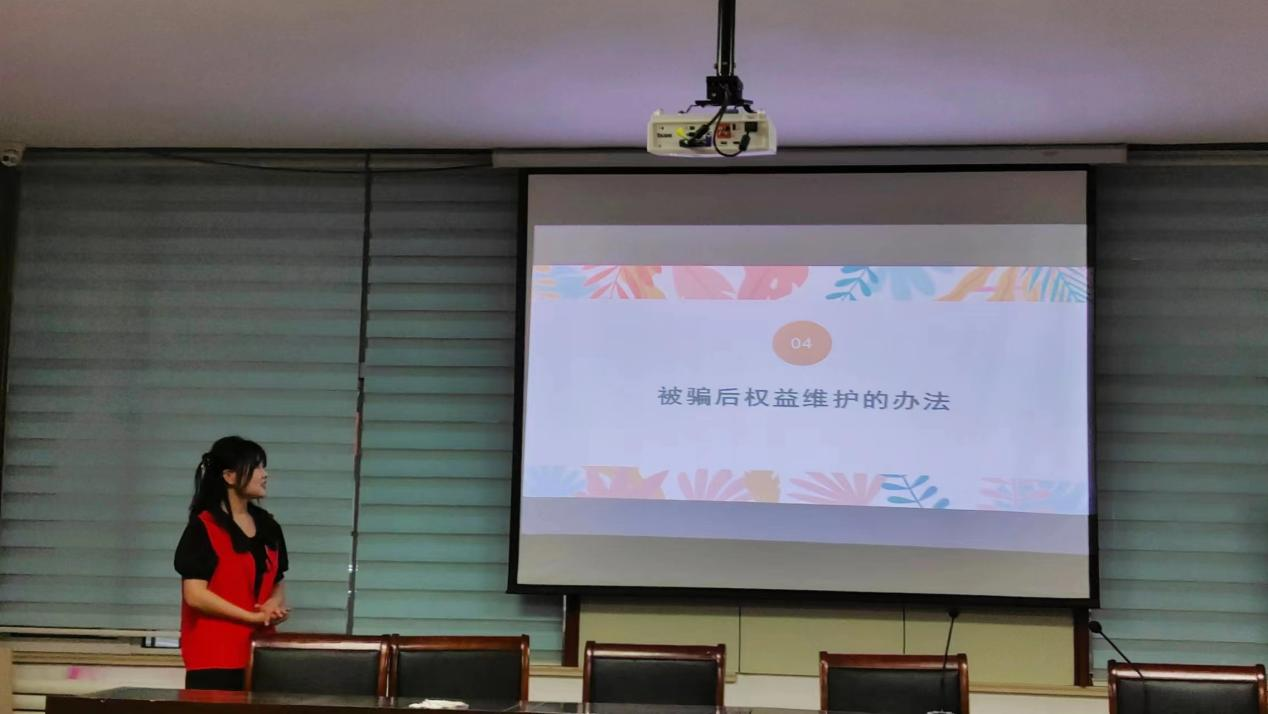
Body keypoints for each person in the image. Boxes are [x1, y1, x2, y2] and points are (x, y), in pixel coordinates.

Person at [174, 436, 290, 691]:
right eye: (256, 467)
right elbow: (195, 595)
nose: (265, 474)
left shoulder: (269, 526)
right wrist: (251, 617)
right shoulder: (203, 527)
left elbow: (277, 579)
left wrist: (273, 604)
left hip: (262, 653)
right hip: (214, 656)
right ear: (229, 476)